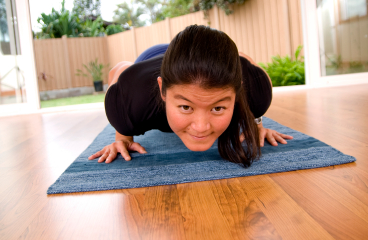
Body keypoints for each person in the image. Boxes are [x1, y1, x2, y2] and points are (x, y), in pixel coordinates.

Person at [88, 25, 293, 167]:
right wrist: (123, 136)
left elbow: (245, 60)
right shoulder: (128, 100)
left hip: (204, 58)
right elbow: (116, 70)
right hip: (150, 61)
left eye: (217, 108)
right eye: (186, 107)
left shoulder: (257, 92)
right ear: (162, 90)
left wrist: (256, 124)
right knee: (124, 69)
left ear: (238, 93)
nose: (201, 127)